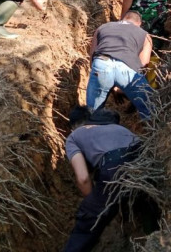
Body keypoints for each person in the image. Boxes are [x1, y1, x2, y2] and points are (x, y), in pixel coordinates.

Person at [63, 106, 142, 252]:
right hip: (144, 161)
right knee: (143, 210)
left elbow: (84, 178)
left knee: (86, 225)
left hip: (114, 167)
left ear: (74, 126)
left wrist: (94, 203)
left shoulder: (73, 137)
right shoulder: (116, 127)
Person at [87, 11, 154, 120]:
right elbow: (143, 65)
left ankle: (91, 130)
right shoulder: (145, 35)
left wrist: (109, 84)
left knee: (92, 114)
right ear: (139, 23)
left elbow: (93, 56)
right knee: (150, 108)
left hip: (101, 64)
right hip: (127, 68)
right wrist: (125, 87)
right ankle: (152, 130)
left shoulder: (102, 28)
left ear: (122, 20)